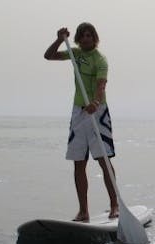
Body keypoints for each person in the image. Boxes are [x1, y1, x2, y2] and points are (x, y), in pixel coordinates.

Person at [44, 23, 118, 222]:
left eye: (89, 36)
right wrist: (60, 39)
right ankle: (83, 211)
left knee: (104, 160)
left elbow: (102, 84)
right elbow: (48, 55)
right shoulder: (74, 53)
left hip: (98, 111)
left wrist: (95, 101)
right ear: (77, 39)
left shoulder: (100, 59)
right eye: (82, 36)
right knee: (79, 163)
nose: (86, 39)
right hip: (78, 112)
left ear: (95, 38)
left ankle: (115, 205)